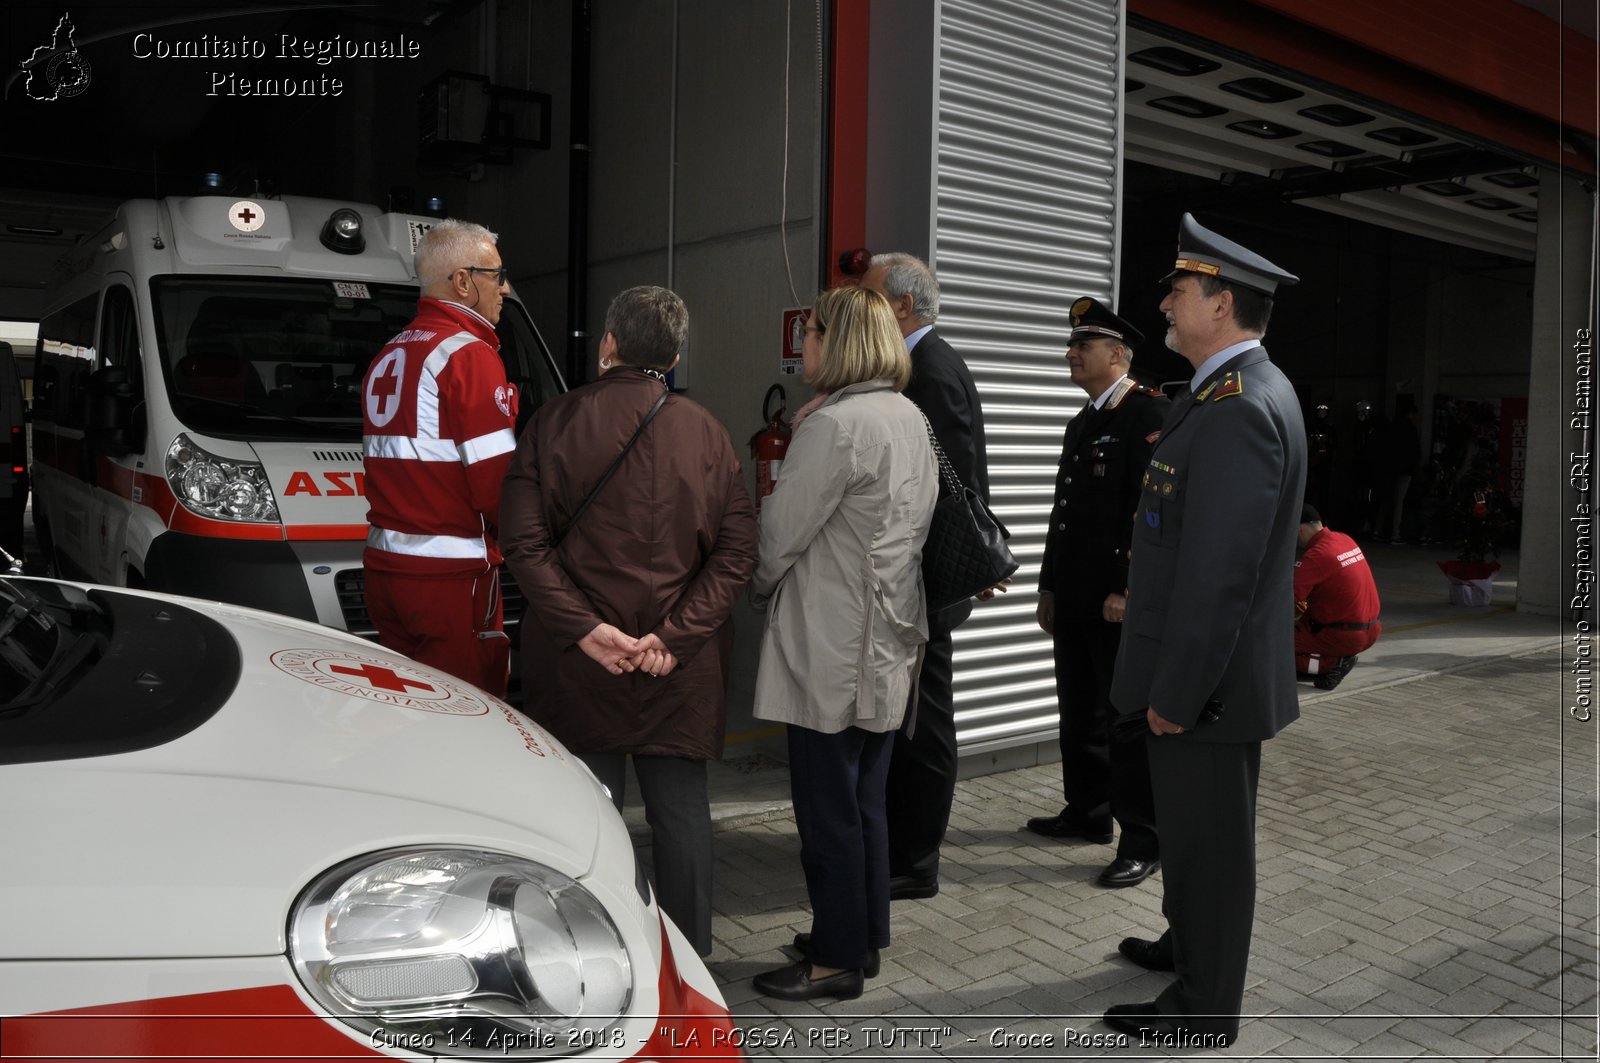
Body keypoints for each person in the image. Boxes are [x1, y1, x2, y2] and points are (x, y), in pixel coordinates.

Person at [499, 285, 757, 957]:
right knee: (681, 815)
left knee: (589, 814)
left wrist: (586, 630)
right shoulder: (709, 432)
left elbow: (524, 546)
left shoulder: (552, 422)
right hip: (678, 664)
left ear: (610, 344)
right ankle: (689, 963)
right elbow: (736, 552)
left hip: (580, 660)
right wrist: (674, 636)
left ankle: (592, 960)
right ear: (673, 354)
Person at [1104, 213, 1307, 1048]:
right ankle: (1189, 946)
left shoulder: (1238, 407)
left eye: (1179, 289)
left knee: (1213, 852)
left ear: (1219, 305)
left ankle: (1203, 1008)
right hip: (1198, 678)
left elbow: (1218, 580)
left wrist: (1177, 693)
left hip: (1204, 687)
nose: (1164, 303)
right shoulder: (1227, 393)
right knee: (1192, 839)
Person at [748, 285, 937, 1001]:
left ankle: (833, 961)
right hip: (886, 636)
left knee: (827, 807)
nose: (805, 344)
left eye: (814, 332)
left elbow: (779, 535)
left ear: (841, 341)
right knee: (865, 801)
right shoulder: (906, 415)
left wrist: (761, 587)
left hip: (831, 642)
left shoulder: (835, 426)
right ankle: (861, 935)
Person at [862, 251, 991, 900]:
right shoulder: (919, 366)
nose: (865, 310)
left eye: (873, 298)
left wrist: (924, 579)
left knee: (925, 724)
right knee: (911, 722)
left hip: (926, 581)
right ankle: (903, 846)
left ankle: (916, 861)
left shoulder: (931, 370)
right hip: (916, 578)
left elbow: (949, 487)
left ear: (903, 307)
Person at [1028, 296, 1167, 890]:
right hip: (1078, 596)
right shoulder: (1082, 420)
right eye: (1071, 345)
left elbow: (1148, 511)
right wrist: (1049, 585)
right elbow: (1065, 514)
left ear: (1118, 354)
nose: (1071, 354)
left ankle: (1142, 839)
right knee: (1078, 709)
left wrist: (1125, 586)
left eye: (1082, 347)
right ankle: (1088, 813)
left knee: (1124, 720)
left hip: (1115, 599)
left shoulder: (1148, 414)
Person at [361, 218, 519, 695]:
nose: (505, 289)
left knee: (408, 710)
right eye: (497, 275)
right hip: (449, 580)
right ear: (464, 281)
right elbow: (496, 487)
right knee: (465, 715)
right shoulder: (468, 355)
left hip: (387, 574)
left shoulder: (391, 352)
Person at [1293, 503, 1382, 690]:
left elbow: (1287, 602)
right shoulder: (1344, 539)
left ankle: (1332, 665)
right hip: (1369, 629)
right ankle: (1337, 658)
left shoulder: (1316, 555)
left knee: (1267, 649)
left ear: (1299, 528)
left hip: (1341, 635)